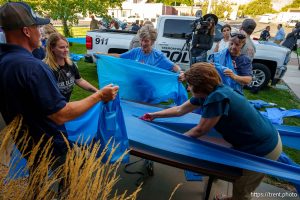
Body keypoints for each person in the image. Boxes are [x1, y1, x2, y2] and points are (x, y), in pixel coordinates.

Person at [0, 2, 118, 173]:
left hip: (25, 142)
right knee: (74, 175)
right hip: (49, 144)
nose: (41, 32)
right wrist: (100, 96)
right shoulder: (35, 67)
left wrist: (95, 91)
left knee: (38, 181)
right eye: (37, 26)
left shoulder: (4, 61)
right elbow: (61, 115)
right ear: (26, 31)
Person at [142, 62, 282, 200]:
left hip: (264, 150)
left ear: (201, 87)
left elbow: (199, 131)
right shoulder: (210, 92)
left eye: (190, 85)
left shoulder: (216, 98)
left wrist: (173, 145)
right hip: (261, 137)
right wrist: (154, 115)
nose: (189, 88)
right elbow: (180, 110)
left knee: (242, 187)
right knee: (226, 167)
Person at [106, 24, 184, 81]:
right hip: (135, 86)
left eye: (146, 41)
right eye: (142, 40)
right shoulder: (135, 51)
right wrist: (103, 55)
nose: (143, 43)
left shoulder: (158, 56)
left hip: (149, 89)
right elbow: (119, 56)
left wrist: (180, 72)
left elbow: (173, 66)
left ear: (152, 42)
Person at [44, 33, 98, 101]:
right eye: (62, 47)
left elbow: (79, 80)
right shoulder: (45, 67)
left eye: (67, 47)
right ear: (52, 48)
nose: (66, 50)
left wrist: (97, 92)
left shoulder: (70, 64)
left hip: (65, 104)